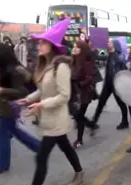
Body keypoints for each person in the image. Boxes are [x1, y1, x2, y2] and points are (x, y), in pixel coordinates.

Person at [18, 18, 84, 185]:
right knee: (66, 147)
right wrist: (27, 99)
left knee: (41, 157)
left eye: (42, 43)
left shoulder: (60, 67)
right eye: (39, 43)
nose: (38, 46)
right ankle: (79, 172)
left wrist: (41, 104)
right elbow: (43, 90)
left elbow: (64, 96)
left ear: (51, 46)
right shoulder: (46, 65)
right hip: (48, 118)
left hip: (56, 119)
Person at [0, 43, 40, 176]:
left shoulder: (14, 71)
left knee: (3, 135)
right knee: (15, 131)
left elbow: (22, 92)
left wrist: (3, 90)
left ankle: (1, 165)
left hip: (9, 107)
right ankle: (39, 146)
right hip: (1, 106)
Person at [87, 39, 129, 130]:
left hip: (116, 84)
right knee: (101, 102)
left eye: (110, 42)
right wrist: (92, 50)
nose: (107, 43)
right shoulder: (109, 55)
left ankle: (125, 121)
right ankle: (94, 122)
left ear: (114, 45)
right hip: (108, 83)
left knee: (121, 103)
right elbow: (98, 57)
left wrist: (113, 51)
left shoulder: (120, 55)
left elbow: (120, 62)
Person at [71, 40, 96, 148]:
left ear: (82, 50)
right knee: (77, 115)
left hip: (84, 94)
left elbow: (89, 79)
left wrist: (78, 83)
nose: (74, 49)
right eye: (73, 47)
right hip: (75, 94)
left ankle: (79, 140)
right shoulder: (73, 61)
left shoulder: (86, 62)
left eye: (77, 47)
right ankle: (91, 125)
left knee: (79, 116)